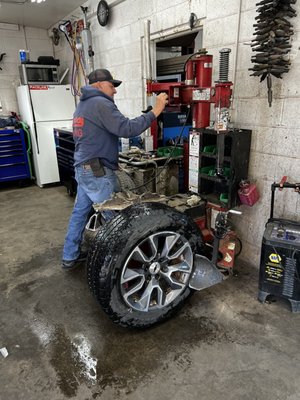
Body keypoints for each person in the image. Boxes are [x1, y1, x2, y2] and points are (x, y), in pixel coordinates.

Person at [62, 68, 168, 270]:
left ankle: (69, 255)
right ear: (99, 86)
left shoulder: (83, 105)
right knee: (117, 221)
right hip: (96, 172)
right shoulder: (101, 103)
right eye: (112, 86)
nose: (115, 91)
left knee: (79, 213)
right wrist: (156, 110)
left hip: (83, 168)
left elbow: (88, 138)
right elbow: (127, 129)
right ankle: (124, 266)